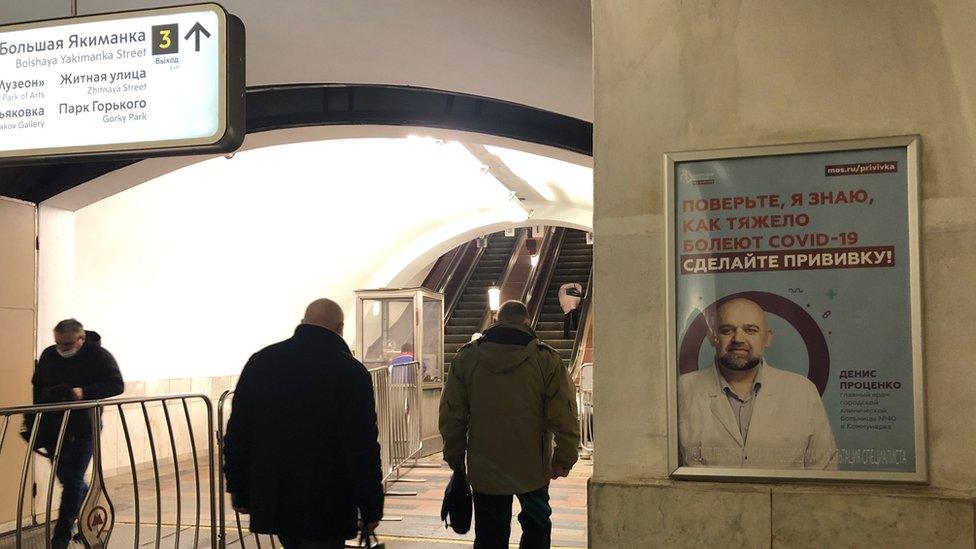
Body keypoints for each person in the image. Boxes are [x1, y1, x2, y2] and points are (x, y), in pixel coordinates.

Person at [223, 299, 384, 549]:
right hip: (327, 500)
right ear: (340, 328)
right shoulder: (350, 372)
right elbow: (361, 446)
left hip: (275, 496)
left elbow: (238, 432)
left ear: (303, 323)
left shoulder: (261, 362)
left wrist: (239, 487)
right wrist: (371, 504)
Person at [439, 300, 579, 549]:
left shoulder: (466, 358)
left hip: (485, 466)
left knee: (490, 534)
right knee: (536, 527)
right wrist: (564, 459)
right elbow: (564, 415)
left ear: (496, 320)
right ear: (527, 322)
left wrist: (455, 457)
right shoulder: (546, 359)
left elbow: (452, 416)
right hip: (533, 467)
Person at [678, 297, 837, 469]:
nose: (738, 338)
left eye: (750, 330)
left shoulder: (802, 391)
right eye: (727, 330)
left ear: (767, 338)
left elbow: (824, 468)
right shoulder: (682, 390)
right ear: (712, 337)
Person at [33, 319, 124, 549]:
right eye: (58, 343)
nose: (61, 349)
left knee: (72, 481)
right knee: (70, 480)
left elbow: (116, 385)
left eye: (66, 344)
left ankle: (61, 537)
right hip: (54, 428)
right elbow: (37, 386)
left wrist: (83, 392)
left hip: (84, 427)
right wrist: (34, 418)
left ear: (81, 340)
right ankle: (88, 515)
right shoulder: (48, 356)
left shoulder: (99, 356)